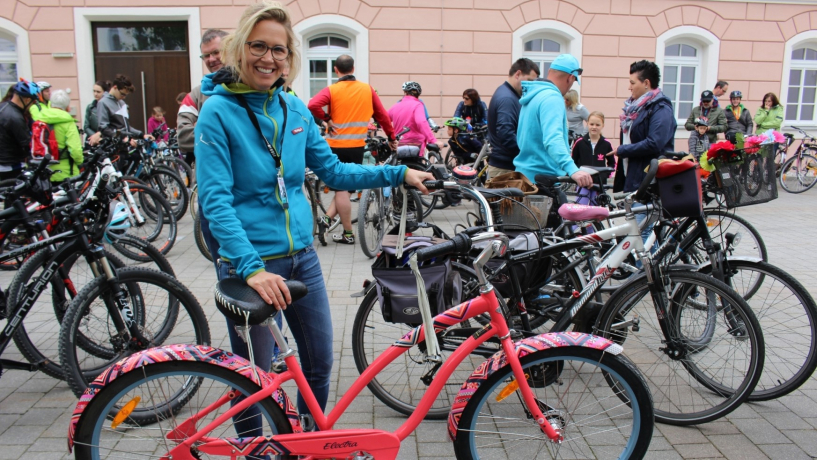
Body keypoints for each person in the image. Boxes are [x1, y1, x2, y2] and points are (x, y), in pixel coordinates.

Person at [194, 0, 433, 437]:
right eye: (258, 46)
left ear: (290, 57)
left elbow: (336, 172)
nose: (269, 58)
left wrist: (397, 172)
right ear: (239, 50)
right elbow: (215, 201)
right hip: (252, 265)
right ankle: (255, 447)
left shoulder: (294, 109)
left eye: (279, 50)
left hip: (302, 259)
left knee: (320, 365)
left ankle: (302, 442)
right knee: (256, 375)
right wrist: (250, 270)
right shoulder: (218, 111)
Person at [307, 54, 396, 245]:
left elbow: (312, 104)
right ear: (353, 69)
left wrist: (326, 118)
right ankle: (347, 233)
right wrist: (391, 137)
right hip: (356, 145)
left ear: (336, 70)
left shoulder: (332, 89)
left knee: (343, 189)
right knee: (344, 189)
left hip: (335, 145)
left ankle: (327, 219)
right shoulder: (367, 90)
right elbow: (382, 116)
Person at [607, 60, 675, 246]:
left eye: (632, 82)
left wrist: (622, 150)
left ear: (646, 83)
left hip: (650, 182)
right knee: (642, 235)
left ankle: (645, 275)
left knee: (641, 237)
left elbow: (655, 143)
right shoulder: (636, 109)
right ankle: (649, 273)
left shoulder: (660, 107)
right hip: (637, 180)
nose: (629, 87)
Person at [514, 54, 592, 188]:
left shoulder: (534, 95)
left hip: (525, 177)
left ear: (550, 72)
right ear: (570, 78)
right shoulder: (552, 98)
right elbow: (553, 139)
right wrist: (572, 169)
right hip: (542, 181)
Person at [178, 28, 228, 168]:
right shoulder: (194, 96)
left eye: (216, 52)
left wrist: (203, 128)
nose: (211, 59)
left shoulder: (250, 88)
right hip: (207, 177)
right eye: (206, 55)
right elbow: (183, 137)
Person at [486, 58, 540, 179]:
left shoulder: (508, 94)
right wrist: (529, 153)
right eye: (529, 81)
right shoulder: (507, 99)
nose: (531, 86)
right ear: (518, 74)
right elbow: (506, 134)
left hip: (505, 167)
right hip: (504, 169)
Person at [32, 89, 84, 182]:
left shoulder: (40, 119)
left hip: (43, 172)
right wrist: (81, 163)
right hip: (65, 173)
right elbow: (75, 151)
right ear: (67, 107)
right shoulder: (68, 123)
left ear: (51, 104)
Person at [97, 74, 153, 147]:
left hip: (125, 145)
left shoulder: (122, 103)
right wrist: (121, 138)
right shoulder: (103, 103)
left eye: (126, 95)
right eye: (122, 94)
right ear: (115, 87)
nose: (123, 97)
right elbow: (103, 128)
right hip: (112, 147)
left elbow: (126, 127)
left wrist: (142, 135)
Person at [0, 80, 39, 180]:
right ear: (26, 100)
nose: (32, 105)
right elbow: (26, 143)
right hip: (10, 165)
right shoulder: (15, 117)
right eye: (33, 101)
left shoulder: (3, 107)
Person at [84, 80, 111, 146]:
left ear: (105, 92)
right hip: (91, 141)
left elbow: (111, 126)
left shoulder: (110, 107)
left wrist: (100, 136)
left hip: (106, 141)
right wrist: (94, 137)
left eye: (98, 92)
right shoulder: (90, 107)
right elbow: (86, 127)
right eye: (94, 91)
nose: (95, 94)